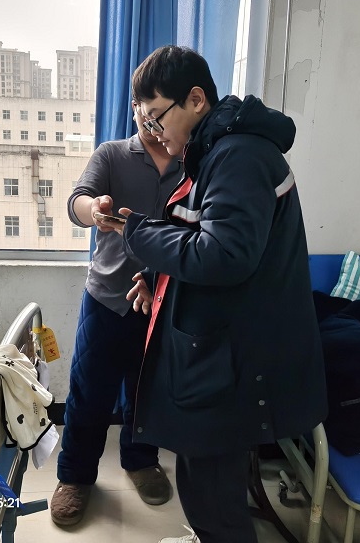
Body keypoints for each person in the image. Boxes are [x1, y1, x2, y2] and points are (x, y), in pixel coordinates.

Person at [110, 45, 328, 543]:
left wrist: (138, 234)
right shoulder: (216, 151)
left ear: (195, 99)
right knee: (202, 481)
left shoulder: (238, 156)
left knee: (212, 494)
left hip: (234, 360)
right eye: (145, 120)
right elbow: (207, 237)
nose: (152, 131)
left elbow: (225, 255)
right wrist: (159, 278)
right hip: (221, 350)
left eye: (157, 116)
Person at [50, 95, 183, 526]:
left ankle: (141, 461)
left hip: (161, 301)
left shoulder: (190, 159)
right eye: (144, 110)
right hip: (106, 297)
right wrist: (94, 209)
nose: (151, 121)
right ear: (134, 107)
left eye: (159, 112)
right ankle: (75, 477)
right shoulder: (112, 154)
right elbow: (76, 201)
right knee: (89, 393)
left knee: (147, 392)